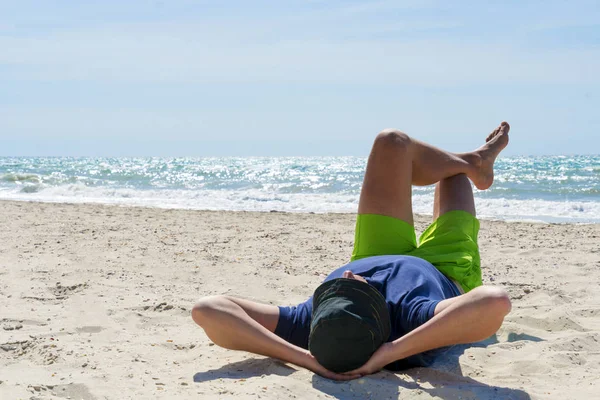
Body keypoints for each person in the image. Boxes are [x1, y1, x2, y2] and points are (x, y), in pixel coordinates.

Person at [191, 122, 512, 381]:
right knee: (454, 177)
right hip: (444, 267)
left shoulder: (310, 326)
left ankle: (474, 161)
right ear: (376, 312)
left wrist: (305, 359)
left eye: (333, 290)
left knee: (391, 142)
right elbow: (493, 302)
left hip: (374, 251)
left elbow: (208, 310)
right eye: (352, 286)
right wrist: (391, 352)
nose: (345, 274)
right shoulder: (410, 316)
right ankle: (472, 165)